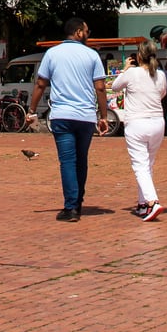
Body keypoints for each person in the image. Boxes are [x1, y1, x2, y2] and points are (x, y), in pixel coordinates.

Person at [28, 17, 108, 222]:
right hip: (86, 117)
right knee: (81, 160)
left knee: (67, 161)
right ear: (79, 32)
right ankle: (77, 200)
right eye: (87, 31)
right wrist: (104, 116)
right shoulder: (92, 55)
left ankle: (71, 207)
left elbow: (40, 84)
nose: (88, 34)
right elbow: (100, 87)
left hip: (62, 116)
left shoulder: (52, 54)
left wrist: (32, 110)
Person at [111, 41, 167, 220]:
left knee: (140, 166)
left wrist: (125, 69)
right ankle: (143, 204)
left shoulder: (132, 73)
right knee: (147, 165)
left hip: (137, 123)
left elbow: (114, 87)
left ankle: (153, 202)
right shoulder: (160, 75)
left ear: (139, 56)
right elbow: (162, 94)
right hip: (157, 123)